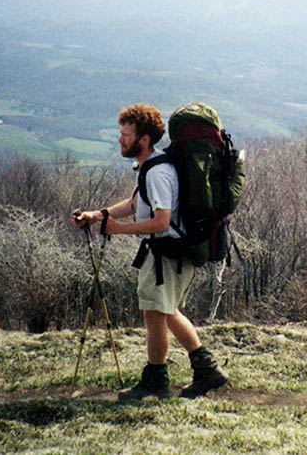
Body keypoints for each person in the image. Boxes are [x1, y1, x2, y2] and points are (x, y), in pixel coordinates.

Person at [73, 103, 228, 400]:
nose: (120, 139)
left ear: (143, 139)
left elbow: (161, 221)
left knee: (156, 314)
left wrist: (117, 229)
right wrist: (97, 215)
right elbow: (135, 204)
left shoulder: (157, 173)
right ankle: (205, 370)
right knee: (164, 313)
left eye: (126, 135)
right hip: (169, 254)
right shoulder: (151, 166)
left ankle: (157, 381)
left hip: (166, 255)